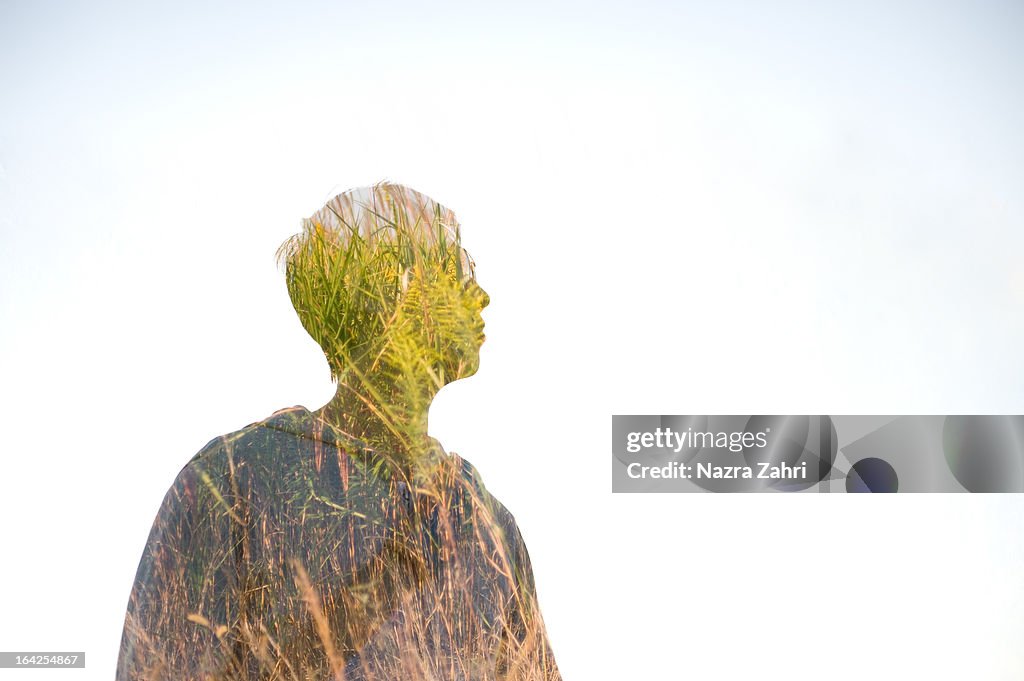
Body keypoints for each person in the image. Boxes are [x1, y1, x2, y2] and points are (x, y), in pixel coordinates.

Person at [116, 182, 563, 681]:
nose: (480, 296)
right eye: (459, 270)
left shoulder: (486, 523)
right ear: (395, 285)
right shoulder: (236, 478)